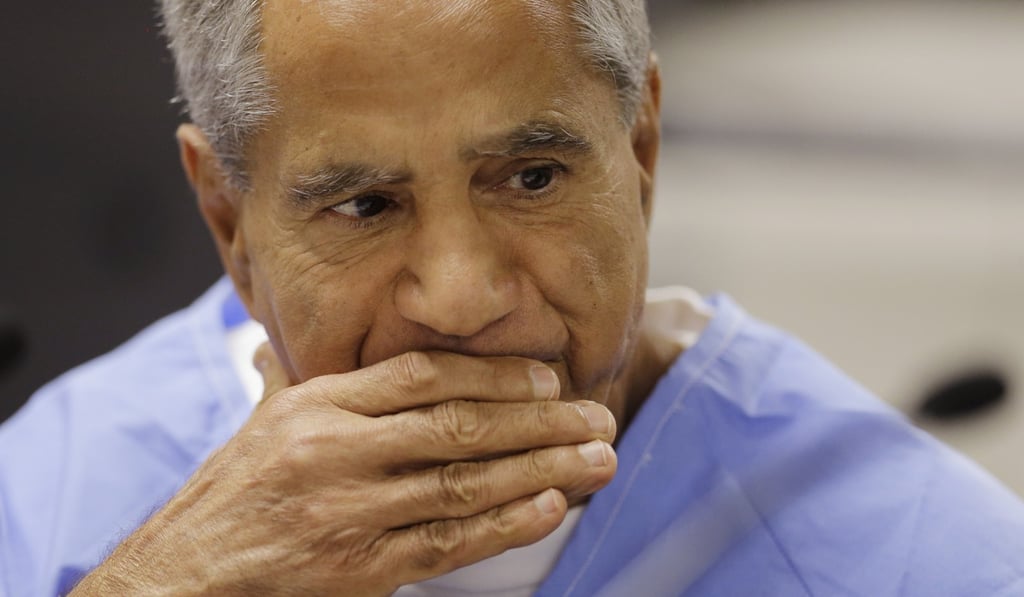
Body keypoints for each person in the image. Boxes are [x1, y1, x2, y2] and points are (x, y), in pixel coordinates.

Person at [2, 0, 1023, 595]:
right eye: (364, 204)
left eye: (531, 176)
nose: (461, 298)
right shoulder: (45, 489)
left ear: (640, 153)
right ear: (229, 222)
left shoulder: (927, 560)